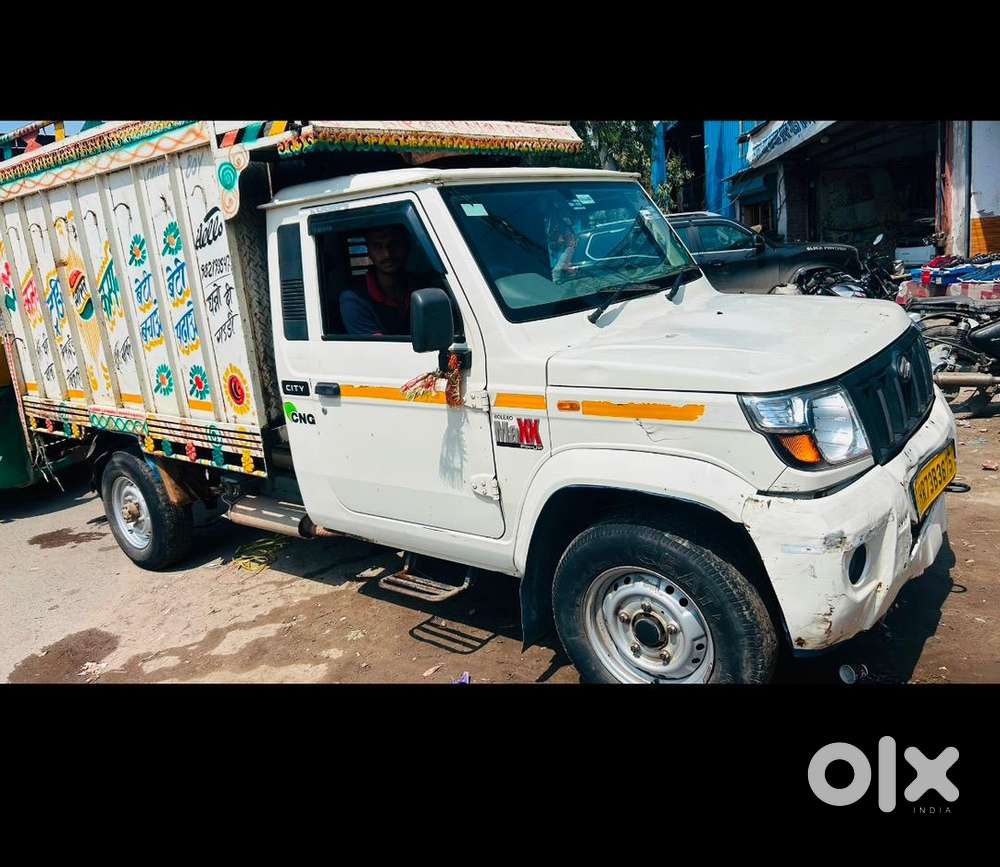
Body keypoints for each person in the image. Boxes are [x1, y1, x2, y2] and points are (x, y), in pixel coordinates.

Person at [340, 224, 426, 336]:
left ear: (407, 245)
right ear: (369, 252)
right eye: (377, 246)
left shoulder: (423, 286)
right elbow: (379, 346)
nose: (387, 254)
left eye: (394, 244)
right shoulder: (355, 298)